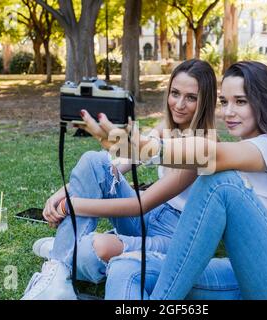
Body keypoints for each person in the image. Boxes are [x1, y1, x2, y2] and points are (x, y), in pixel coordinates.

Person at [81, 61, 267, 300]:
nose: (228, 112)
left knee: (218, 181)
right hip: (253, 272)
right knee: (126, 267)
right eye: (224, 102)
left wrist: (144, 148)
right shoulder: (247, 150)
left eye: (240, 102)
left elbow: (210, 154)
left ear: (265, 103)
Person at [21, 59, 218, 300]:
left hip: (172, 234)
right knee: (93, 160)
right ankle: (59, 269)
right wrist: (63, 191)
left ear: (205, 101)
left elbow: (139, 205)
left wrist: (70, 206)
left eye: (191, 97)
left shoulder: (205, 146)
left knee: (92, 251)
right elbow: (115, 164)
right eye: (175, 93)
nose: (179, 104)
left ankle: (62, 249)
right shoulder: (165, 127)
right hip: (147, 218)